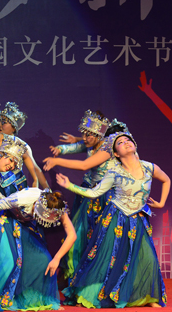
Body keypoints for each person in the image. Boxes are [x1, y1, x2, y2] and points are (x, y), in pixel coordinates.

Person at [57, 131, 169, 308]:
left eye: (128, 140)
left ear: (135, 145)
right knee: (108, 259)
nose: (126, 142)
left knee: (147, 259)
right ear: (116, 153)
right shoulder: (114, 172)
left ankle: (148, 297)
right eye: (120, 142)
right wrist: (69, 185)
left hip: (139, 220)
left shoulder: (149, 167)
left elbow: (166, 180)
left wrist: (161, 203)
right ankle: (93, 295)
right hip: (116, 218)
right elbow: (94, 192)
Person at [43, 117, 126, 279]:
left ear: (100, 135)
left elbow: (84, 165)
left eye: (89, 135)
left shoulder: (108, 147)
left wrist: (57, 161)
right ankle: (76, 275)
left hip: (108, 197)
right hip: (91, 195)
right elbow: (76, 146)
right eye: (83, 134)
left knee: (103, 236)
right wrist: (60, 149)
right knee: (81, 233)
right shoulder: (91, 143)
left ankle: (103, 277)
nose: (85, 138)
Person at [0, 187, 76, 311]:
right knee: (10, 260)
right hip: (7, 220)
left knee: (44, 260)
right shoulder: (25, 198)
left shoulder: (57, 207)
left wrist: (57, 258)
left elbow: (72, 234)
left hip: (25, 226)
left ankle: (33, 300)